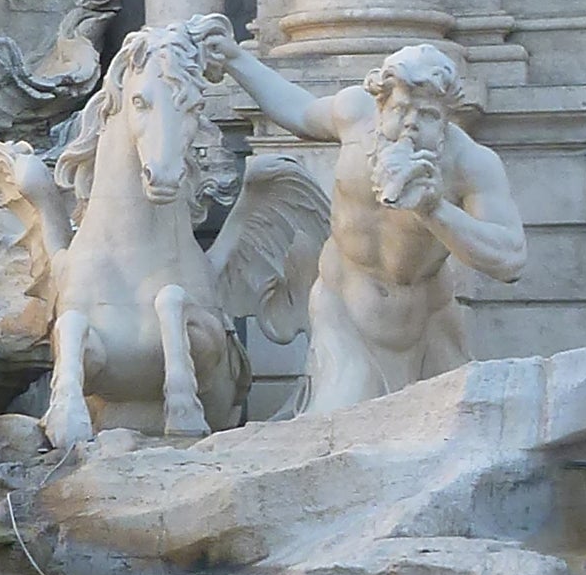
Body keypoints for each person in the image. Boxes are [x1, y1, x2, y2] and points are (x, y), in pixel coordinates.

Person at [223, 38, 528, 410]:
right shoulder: (354, 115)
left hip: (427, 323)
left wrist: (435, 210)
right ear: (381, 104)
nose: (411, 124)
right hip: (343, 313)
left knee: (448, 436)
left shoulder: (470, 164)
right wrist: (235, 58)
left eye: (428, 114)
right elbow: (297, 110)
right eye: (401, 108)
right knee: (340, 428)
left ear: (447, 119)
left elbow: (510, 257)